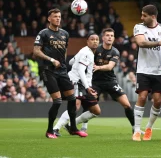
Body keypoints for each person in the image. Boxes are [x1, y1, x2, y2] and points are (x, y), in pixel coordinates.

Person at [33, 8, 87, 138]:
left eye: (59, 16)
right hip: (48, 70)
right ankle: (49, 131)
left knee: (72, 99)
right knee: (57, 101)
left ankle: (73, 128)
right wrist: (51, 60)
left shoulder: (65, 34)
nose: (58, 18)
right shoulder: (44, 33)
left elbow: (65, 51)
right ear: (49, 19)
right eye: (55, 16)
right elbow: (36, 51)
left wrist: (62, 63)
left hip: (62, 71)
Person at [132, 4, 161, 141]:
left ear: (153, 16)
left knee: (157, 101)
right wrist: (159, 43)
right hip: (143, 70)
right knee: (142, 97)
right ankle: (137, 131)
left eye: (144, 15)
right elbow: (141, 43)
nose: (141, 17)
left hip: (159, 71)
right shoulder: (139, 27)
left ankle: (149, 128)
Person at [87, 28, 135, 133]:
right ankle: (82, 126)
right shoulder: (96, 50)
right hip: (96, 82)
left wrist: (98, 67)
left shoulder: (115, 51)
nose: (110, 37)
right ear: (103, 38)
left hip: (110, 81)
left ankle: (135, 128)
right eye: (107, 35)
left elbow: (110, 66)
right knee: (90, 103)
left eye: (112, 36)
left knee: (127, 104)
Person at [53, 33, 100, 136]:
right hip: (77, 81)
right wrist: (88, 87)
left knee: (96, 111)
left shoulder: (84, 51)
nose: (95, 41)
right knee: (75, 106)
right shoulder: (86, 53)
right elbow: (81, 70)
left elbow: (70, 62)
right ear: (87, 41)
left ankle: (69, 125)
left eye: (97, 39)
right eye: (92, 39)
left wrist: (78, 60)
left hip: (83, 83)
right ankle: (56, 128)